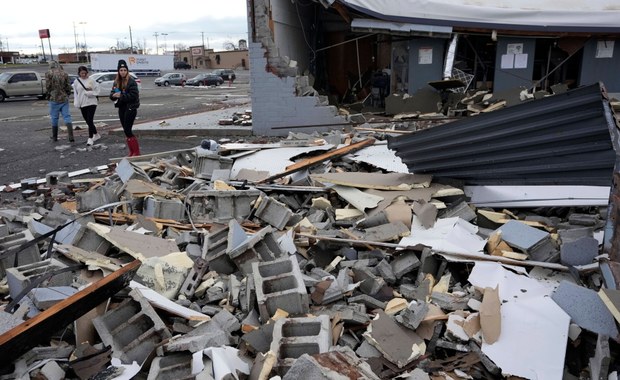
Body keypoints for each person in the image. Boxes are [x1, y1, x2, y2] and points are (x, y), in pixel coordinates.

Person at [110, 59, 140, 156]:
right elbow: (112, 93)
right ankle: (131, 151)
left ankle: (136, 151)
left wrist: (121, 96)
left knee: (128, 129)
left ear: (127, 71)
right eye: (121, 70)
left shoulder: (131, 81)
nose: (123, 72)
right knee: (125, 130)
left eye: (124, 70)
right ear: (118, 71)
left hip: (131, 107)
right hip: (121, 107)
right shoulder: (116, 82)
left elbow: (134, 95)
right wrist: (113, 96)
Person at [72, 66, 101, 146]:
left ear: (87, 72)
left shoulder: (92, 80)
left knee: (90, 119)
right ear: (79, 73)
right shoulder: (76, 81)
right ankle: (96, 134)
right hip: (82, 103)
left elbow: (97, 90)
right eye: (82, 73)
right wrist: (76, 103)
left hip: (92, 102)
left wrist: (91, 93)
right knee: (88, 121)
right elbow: (76, 93)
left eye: (85, 73)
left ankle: (90, 138)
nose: (84, 75)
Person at [45, 61, 73, 142]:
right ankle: (71, 136)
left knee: (54, 118)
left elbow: (48, 86)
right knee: (67, 116)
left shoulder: (49, 73)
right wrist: (67, 93)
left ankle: (55, 137)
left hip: (53, 98)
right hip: (64, 98)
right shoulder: (64, 73)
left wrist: (49, 94)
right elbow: (68, 86)